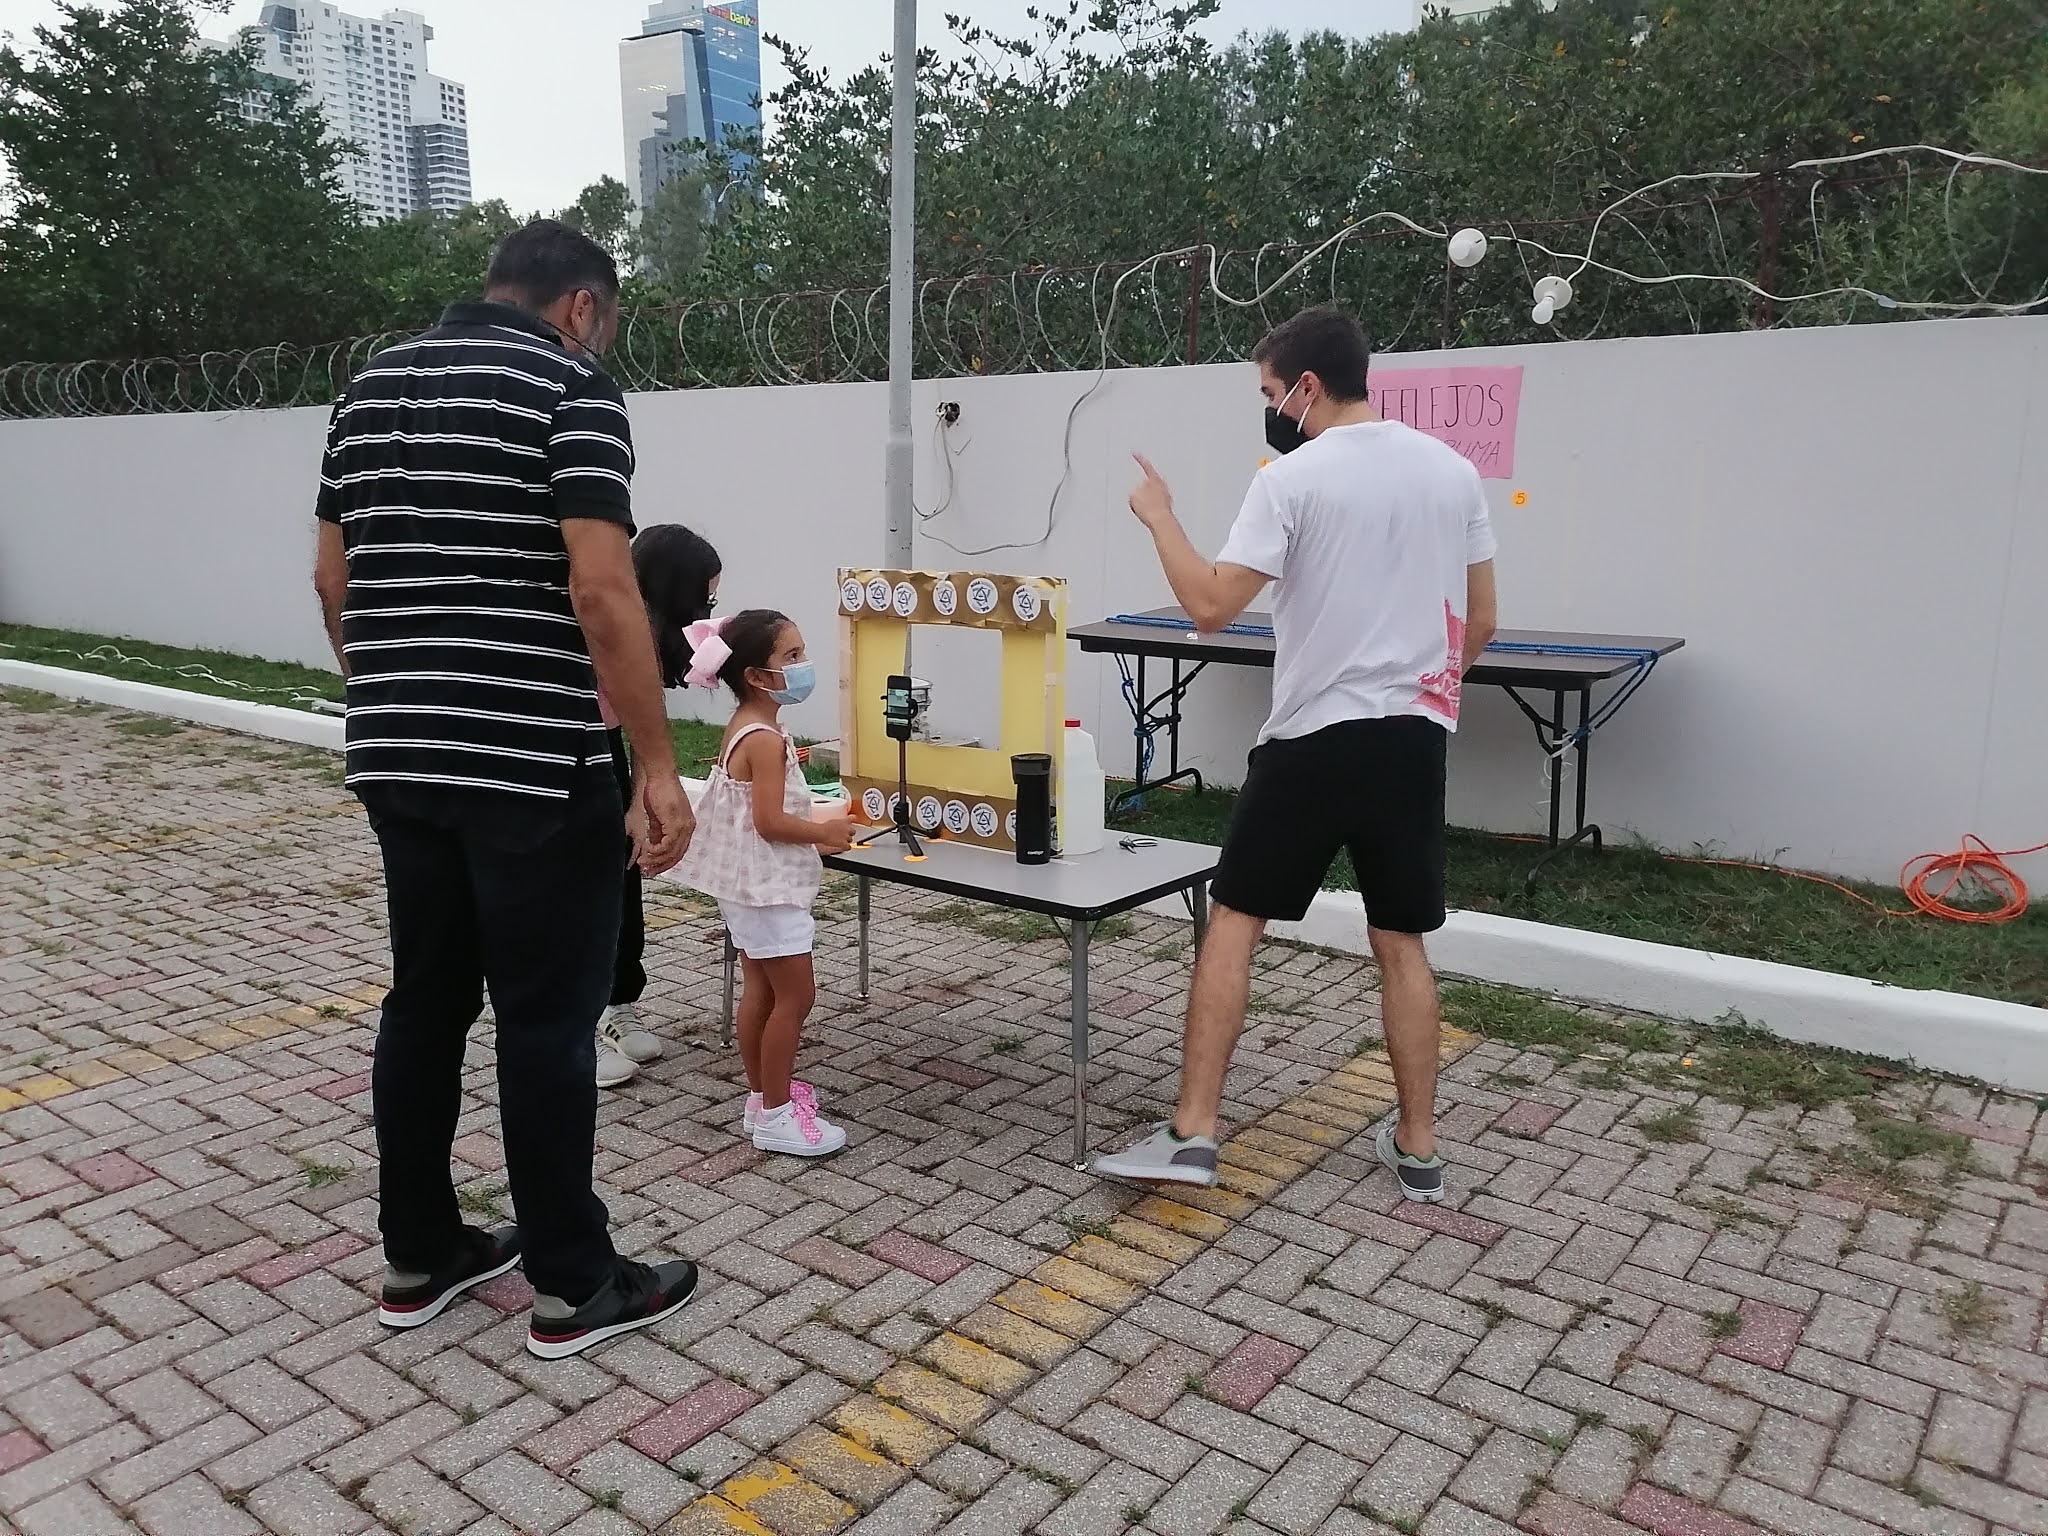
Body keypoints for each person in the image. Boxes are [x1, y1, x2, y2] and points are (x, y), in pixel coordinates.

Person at [313, 219, 702, 1359]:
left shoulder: (368, 389)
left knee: (424, 1001)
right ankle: (575, 1283)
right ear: (582, 306)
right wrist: (656, 765)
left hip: (396, 753)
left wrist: (395, 699)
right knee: (545, 1019)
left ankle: (420, 1251)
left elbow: (333, 578)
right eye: (605, 321)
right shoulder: (571, 388)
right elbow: (603, 589)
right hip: (534, 760)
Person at [1092, 305, 1498, 1203]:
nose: (1271, 408)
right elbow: (1481, 621)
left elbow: (1210, 606)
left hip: (1313, 738)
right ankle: (1419, 1149)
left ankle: (1193, 1132)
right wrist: (1420, 690)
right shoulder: (1453, 472)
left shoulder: (1291, 479)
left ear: (1307, 386)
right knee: (1401, 942)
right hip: (1413, 739)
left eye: (1271, 391)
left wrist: (1159, 517)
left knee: (1235, 922)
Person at [671, 609, 856, 1156]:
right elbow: (770, 822)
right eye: (791, 657)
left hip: (748, 890)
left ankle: (761, 1098)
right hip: (769, 891)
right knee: (796, 997)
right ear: (755, 675)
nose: (803, 665)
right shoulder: (766, 741)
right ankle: (778, 1113)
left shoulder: (744, 727)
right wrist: (824, 832)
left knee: (762, 991)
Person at [596, 523, 724, 1089]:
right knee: (579, 886)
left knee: (624, 875)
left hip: (609, 745)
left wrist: (639, 798)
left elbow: (644, 721)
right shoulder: (601, 622)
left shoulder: (655, 632)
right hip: (563, 747)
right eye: (705, 595)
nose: (708, 609)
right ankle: (572, 1025)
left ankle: (616, 1004)